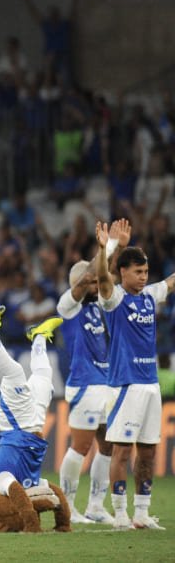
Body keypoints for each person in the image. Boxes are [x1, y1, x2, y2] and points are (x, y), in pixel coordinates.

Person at [93, 220, 169, 530]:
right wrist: (105, 248)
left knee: (149, 451)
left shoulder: (150, 295)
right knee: (122, 451)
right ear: (123, 272)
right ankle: (120, 513)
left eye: (146, 272)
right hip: (125, 385)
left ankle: (141, 513)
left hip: (150, 384)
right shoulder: (114, 300)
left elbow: (172, 281)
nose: (143, 277)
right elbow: (101, 278)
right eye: (138, 272)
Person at [0, 306, 70, 533]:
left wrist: (31, 523)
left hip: (15, 423)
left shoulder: (1, 480)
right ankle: (38, 336)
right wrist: (63, 523)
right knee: (45, 377)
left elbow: (15, 490)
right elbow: (54, 491)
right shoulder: (33, 485)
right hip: (34, 424)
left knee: (14, 372)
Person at [57, 221, 128, 524]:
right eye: (92, 280)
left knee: (108, 445)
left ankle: (95, 506)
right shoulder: (68, 306)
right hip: (84, 384)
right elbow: (91, 274)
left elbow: (103, 274)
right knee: (81, 446)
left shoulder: (100, 305)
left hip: (105, 382)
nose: (97, 282)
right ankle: (68, 507)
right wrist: (107, 246)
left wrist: (118, 248)